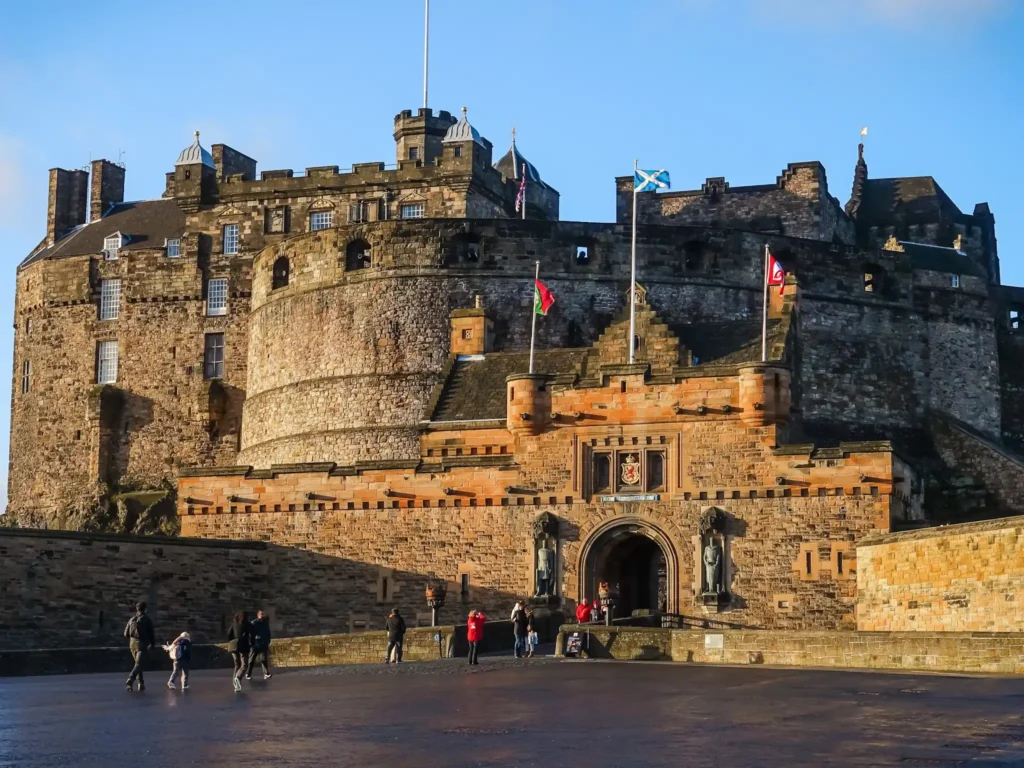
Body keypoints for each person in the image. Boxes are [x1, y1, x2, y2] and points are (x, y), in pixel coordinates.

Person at [124, 601, 156, 692]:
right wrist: (153, 644)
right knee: (139, 664)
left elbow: (125, 634)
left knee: (138, 664)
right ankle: (130, 679)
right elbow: (151, 634)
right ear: (145, 609)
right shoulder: (146, 619)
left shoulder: (132, 619)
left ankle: (141, 684)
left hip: (132, 644)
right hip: (141, 644)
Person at [226, 611, 251, 692]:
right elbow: (253, 634)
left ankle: (236, 685)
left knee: (237, 665)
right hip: (243, 647)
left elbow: (229, 635)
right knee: (244, 665)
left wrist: (233, 641)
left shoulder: (233, 624)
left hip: (233, 647)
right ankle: (238, 677)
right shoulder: (247, 624)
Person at [247, 610, 272, 680]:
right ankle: (248, 674)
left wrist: (268, 640)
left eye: (263, 614)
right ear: (258, 615)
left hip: (264, 643)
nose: (263, 615)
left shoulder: (265, 623)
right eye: (261, 614)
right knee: (251, 660)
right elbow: (250, 634)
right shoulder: (254, 623)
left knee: (263, 659)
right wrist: (252, 642)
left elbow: (268, 632)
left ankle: (266, 674)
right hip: (256, 644)